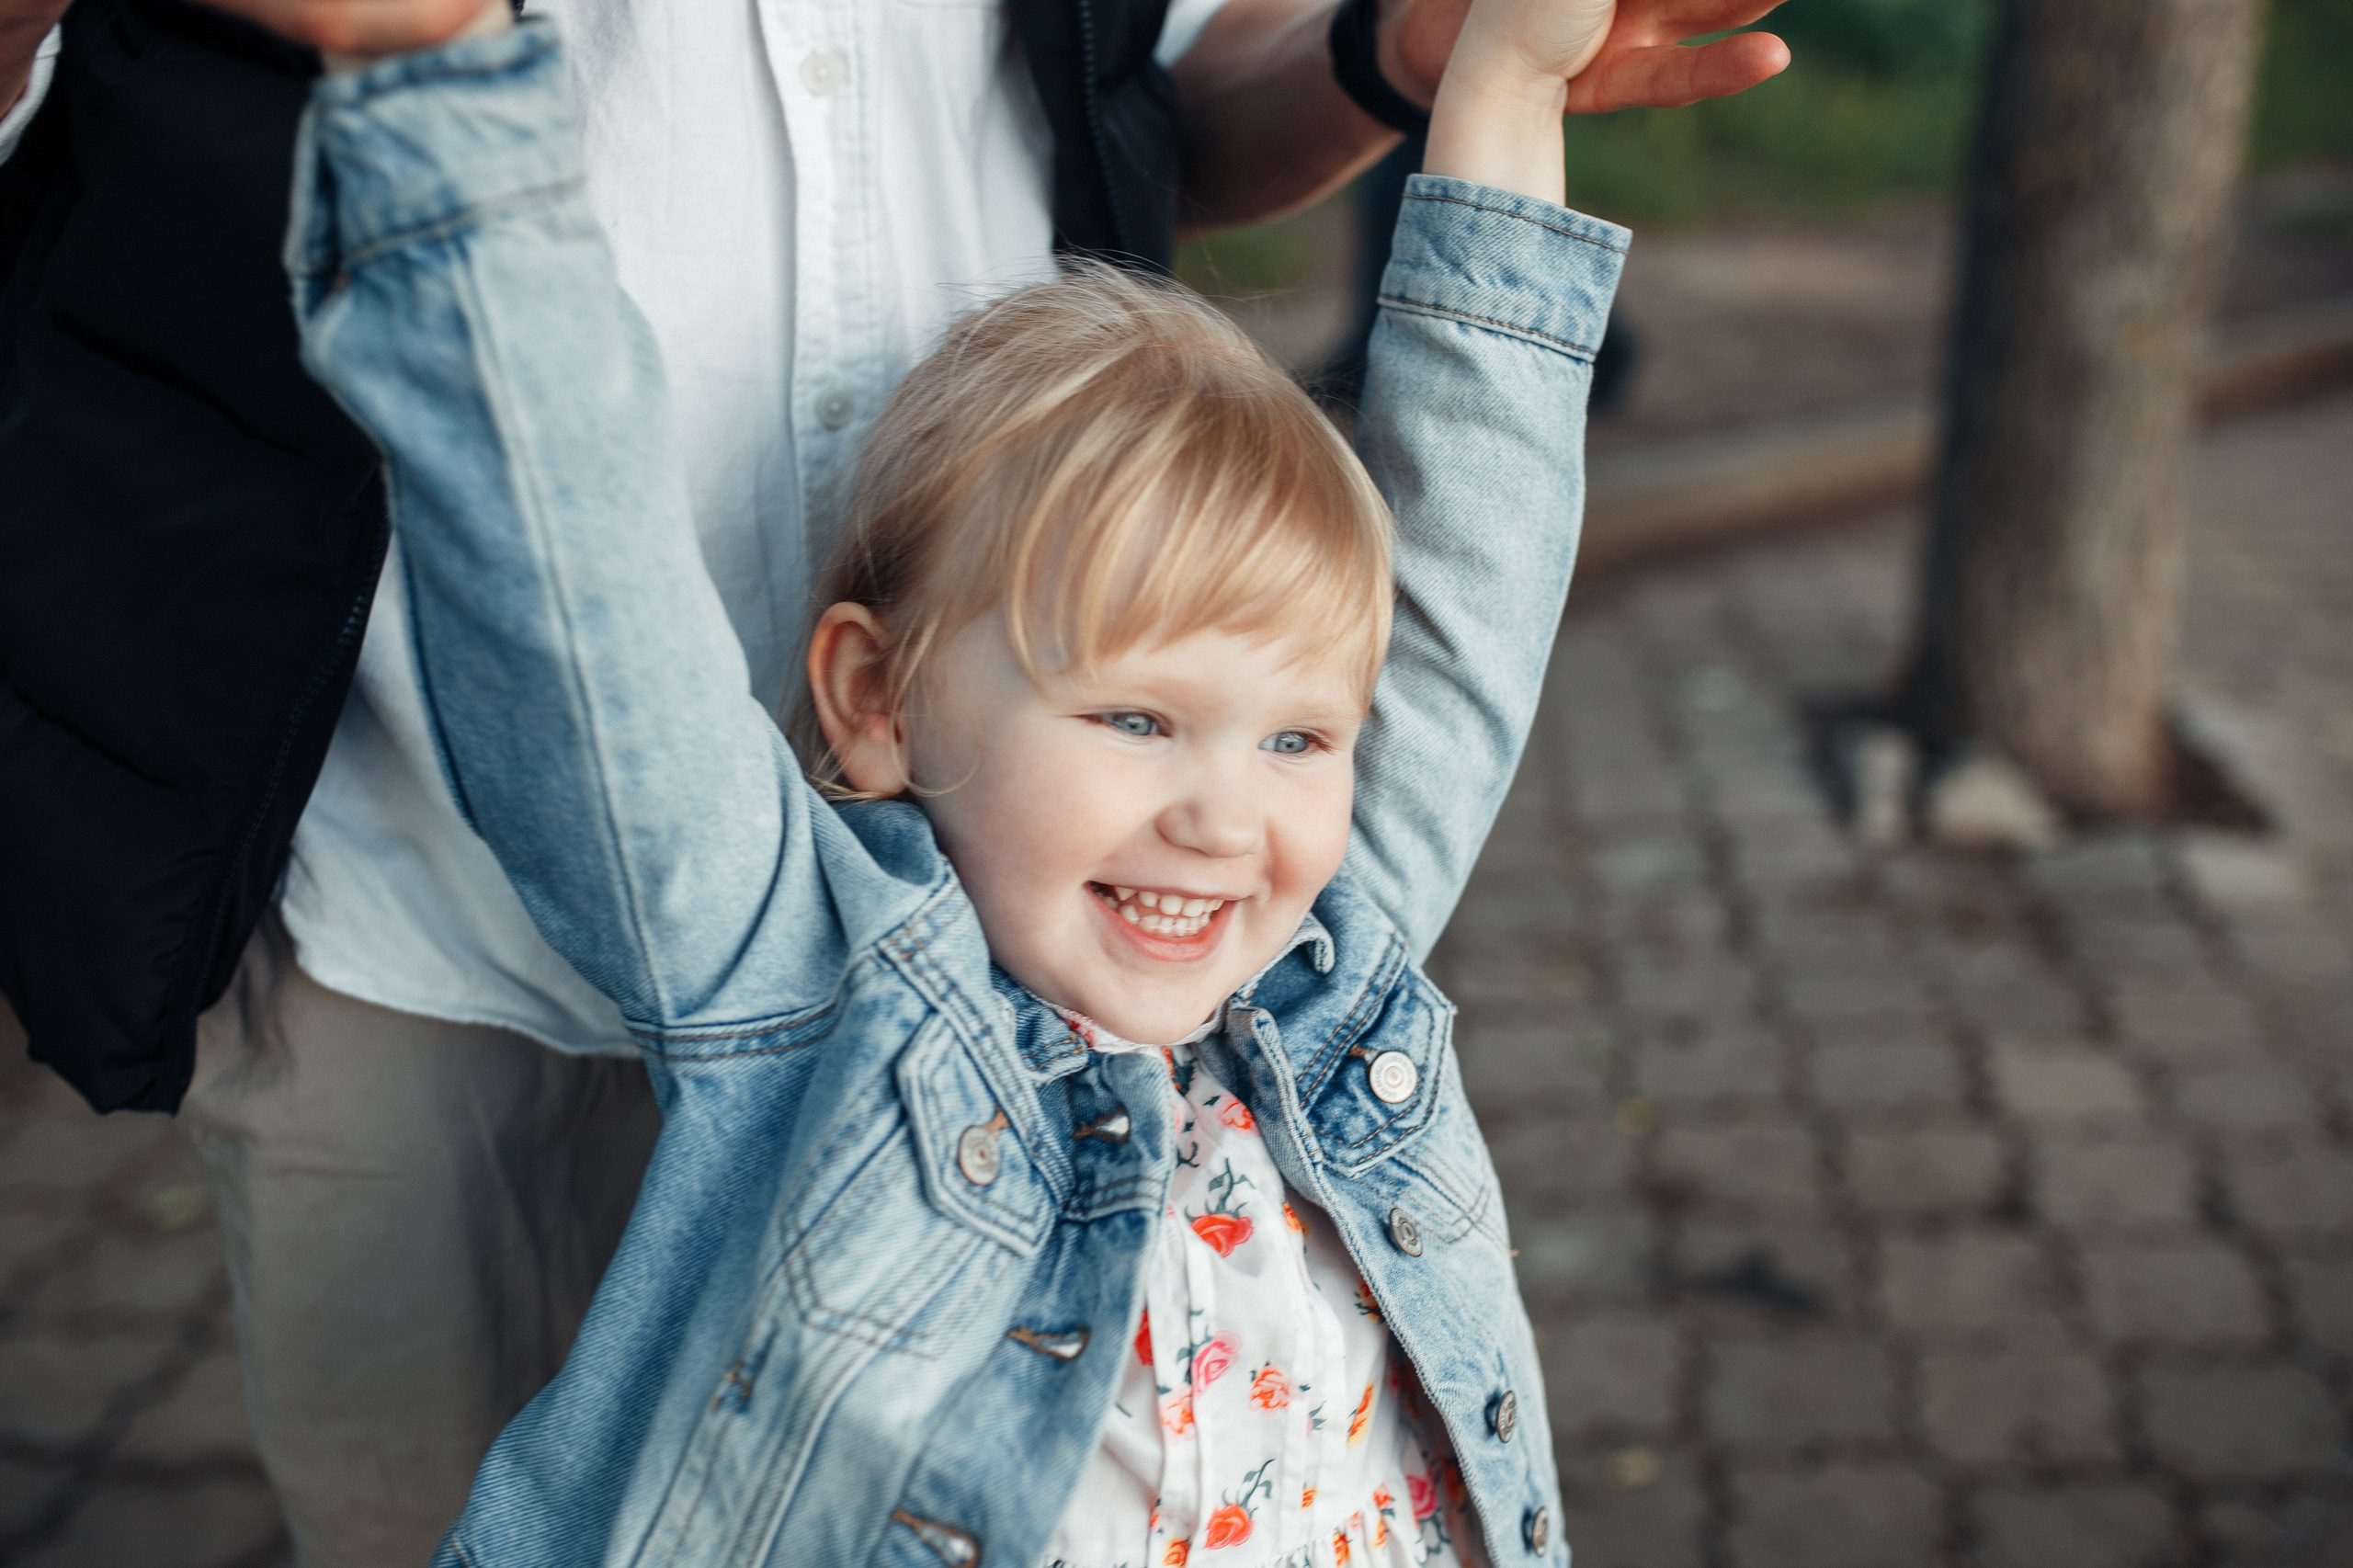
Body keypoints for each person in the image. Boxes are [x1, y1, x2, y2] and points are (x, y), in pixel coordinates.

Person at [0, 0, 1781, 1562]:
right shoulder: (823, 1010)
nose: (1224, 818)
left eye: (1296, 736)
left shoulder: (1313, 965)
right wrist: (436, 78)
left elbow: (1466, 566)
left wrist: (1501, 84)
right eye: (1133, 719)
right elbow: (582, 600)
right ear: (873, 701)